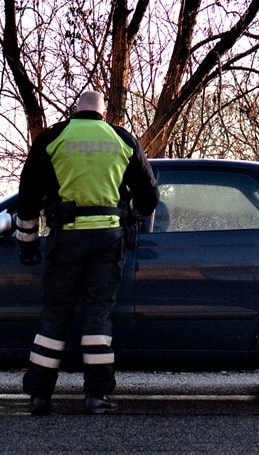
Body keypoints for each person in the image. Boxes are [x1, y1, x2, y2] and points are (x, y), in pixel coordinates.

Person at [15, 90, 159, 415]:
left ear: (75, 111)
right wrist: (131, 213)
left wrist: (27, 244)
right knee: (98, 314)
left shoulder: (53, 138)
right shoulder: (121, 139)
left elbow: (27, 197)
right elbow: (149, 196)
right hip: (108, 239)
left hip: (65, 238)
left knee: (55, 314)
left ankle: (39, 396)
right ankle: (97, 396)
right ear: (103, 113)